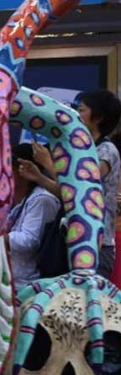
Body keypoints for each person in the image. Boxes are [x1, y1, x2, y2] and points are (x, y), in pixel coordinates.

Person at [78, 90, 121, 277]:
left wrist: (48, 163)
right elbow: (65, 191)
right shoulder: (84, 149)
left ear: (98, 118)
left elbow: (83, 181)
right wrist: (38, 177)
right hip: (78, 242)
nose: (76, 115)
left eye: (81, 110)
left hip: (98, 245)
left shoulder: (107, 150)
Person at [12, 143, 64, 290]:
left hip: (27, 286)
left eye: (9, 167)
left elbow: (29, 240)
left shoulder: (42, 199)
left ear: (23, 170)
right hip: (12, 280)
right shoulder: (18, 199)